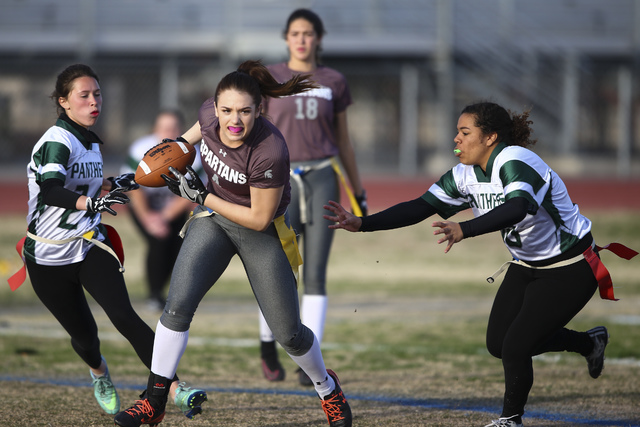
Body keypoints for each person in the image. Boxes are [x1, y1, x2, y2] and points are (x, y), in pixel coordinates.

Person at [323, 101, 637, 427]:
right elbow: (420, 206)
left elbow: (519, 207)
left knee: (516, 346)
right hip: (527, 265)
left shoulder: (515, 159)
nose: (456, 139)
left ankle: (510, 420)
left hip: (572, 266)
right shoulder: (464, 175)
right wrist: (363, 223)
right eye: (457, 132)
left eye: (464, 132)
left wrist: (465, 229)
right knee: (498, 344)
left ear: (490, 137)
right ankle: (589, 342)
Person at [114, 60, 353, 427]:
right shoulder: (209, 114)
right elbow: (182, 143)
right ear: (215, 106)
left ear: (259, 109)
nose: (234, 120)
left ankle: (327, 388)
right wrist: (140, 176)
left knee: (288, 332)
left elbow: (258, 218)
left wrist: (200, 196)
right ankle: (156, 400)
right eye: (226, 110)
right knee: (177, 306)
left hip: (262, 230)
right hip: (215, 222)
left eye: (244, 111)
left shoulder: (270, 148)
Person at [23, 64, 207, 420]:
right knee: (86, 338)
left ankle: (174, 387)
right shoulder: (56, 141)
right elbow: (50, 190)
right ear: (63, 102)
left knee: (125, 316)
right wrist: (90, 202)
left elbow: (84, 185)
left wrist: (112, 184)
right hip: (47, 255)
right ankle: (98, 372)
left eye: (98, 94)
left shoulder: (89, 140)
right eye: (84, 95)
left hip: (89, 244)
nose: (94, 102)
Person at [259, 8, 368, 386]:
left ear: (318, 38)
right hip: (280, 179)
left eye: (308, 33)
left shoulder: (333, 80)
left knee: (316, 272)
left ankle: (310, 360)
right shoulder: (270, 77)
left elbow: (344, 142)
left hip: (323, 176)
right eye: (295, 33)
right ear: (286, 37)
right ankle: (267, 343)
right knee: (279, 269)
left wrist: (358, 191)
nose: (302, 39)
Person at [121, 110, 200, 311]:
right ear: (155, 129)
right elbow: (133, 188)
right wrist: (149, 218)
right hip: (144, 207)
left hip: (172, 208)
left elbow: (190, 194)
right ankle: (154, 295)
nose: (169, 131)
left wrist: (164, 217)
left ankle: (165, 293)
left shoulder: (192, 153)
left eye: (174, 127)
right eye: (164, 127)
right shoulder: (141, 148)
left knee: (176, 248)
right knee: (157, 241)